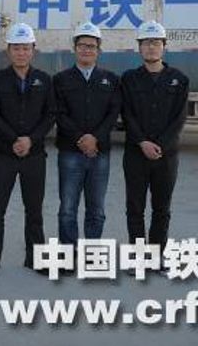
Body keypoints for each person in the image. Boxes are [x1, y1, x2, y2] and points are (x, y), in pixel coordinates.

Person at [0, 23, 56, 280]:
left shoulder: (44, 80)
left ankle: (35, 258)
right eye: (16, 48)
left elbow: (50, 115)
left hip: (34, 156)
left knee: (34, 210)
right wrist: (14, 139)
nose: (21, 53)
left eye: (26, 48)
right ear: (8, 51)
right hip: (4, 154)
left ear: (33, 50)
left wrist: (30, 140)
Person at [120, 20, 189, 274]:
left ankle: (158, 255)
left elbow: (179, 118)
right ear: (139, 47)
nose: (151, 47)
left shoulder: (179, 80)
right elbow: (126, 114)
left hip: (166, 156)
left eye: (156, 43)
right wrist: (142, 142)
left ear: (164, 46)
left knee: (162, 208)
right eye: (146, 43)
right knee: (135, 208)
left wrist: (159, 145)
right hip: (135, 154)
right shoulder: (129, 79)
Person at [53, 22, 121, 268]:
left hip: (99, 153)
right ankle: (68, 254)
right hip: (70, 152)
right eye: (82, 45)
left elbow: (113, 113)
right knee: (67, 207)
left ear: (98, 50)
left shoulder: (110, 80)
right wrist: (81, 138)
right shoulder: (61, 79)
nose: (86, 50)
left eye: (91, 46)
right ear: (75, 48)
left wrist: (95, 138)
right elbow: (58, 113)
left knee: (96, 208)